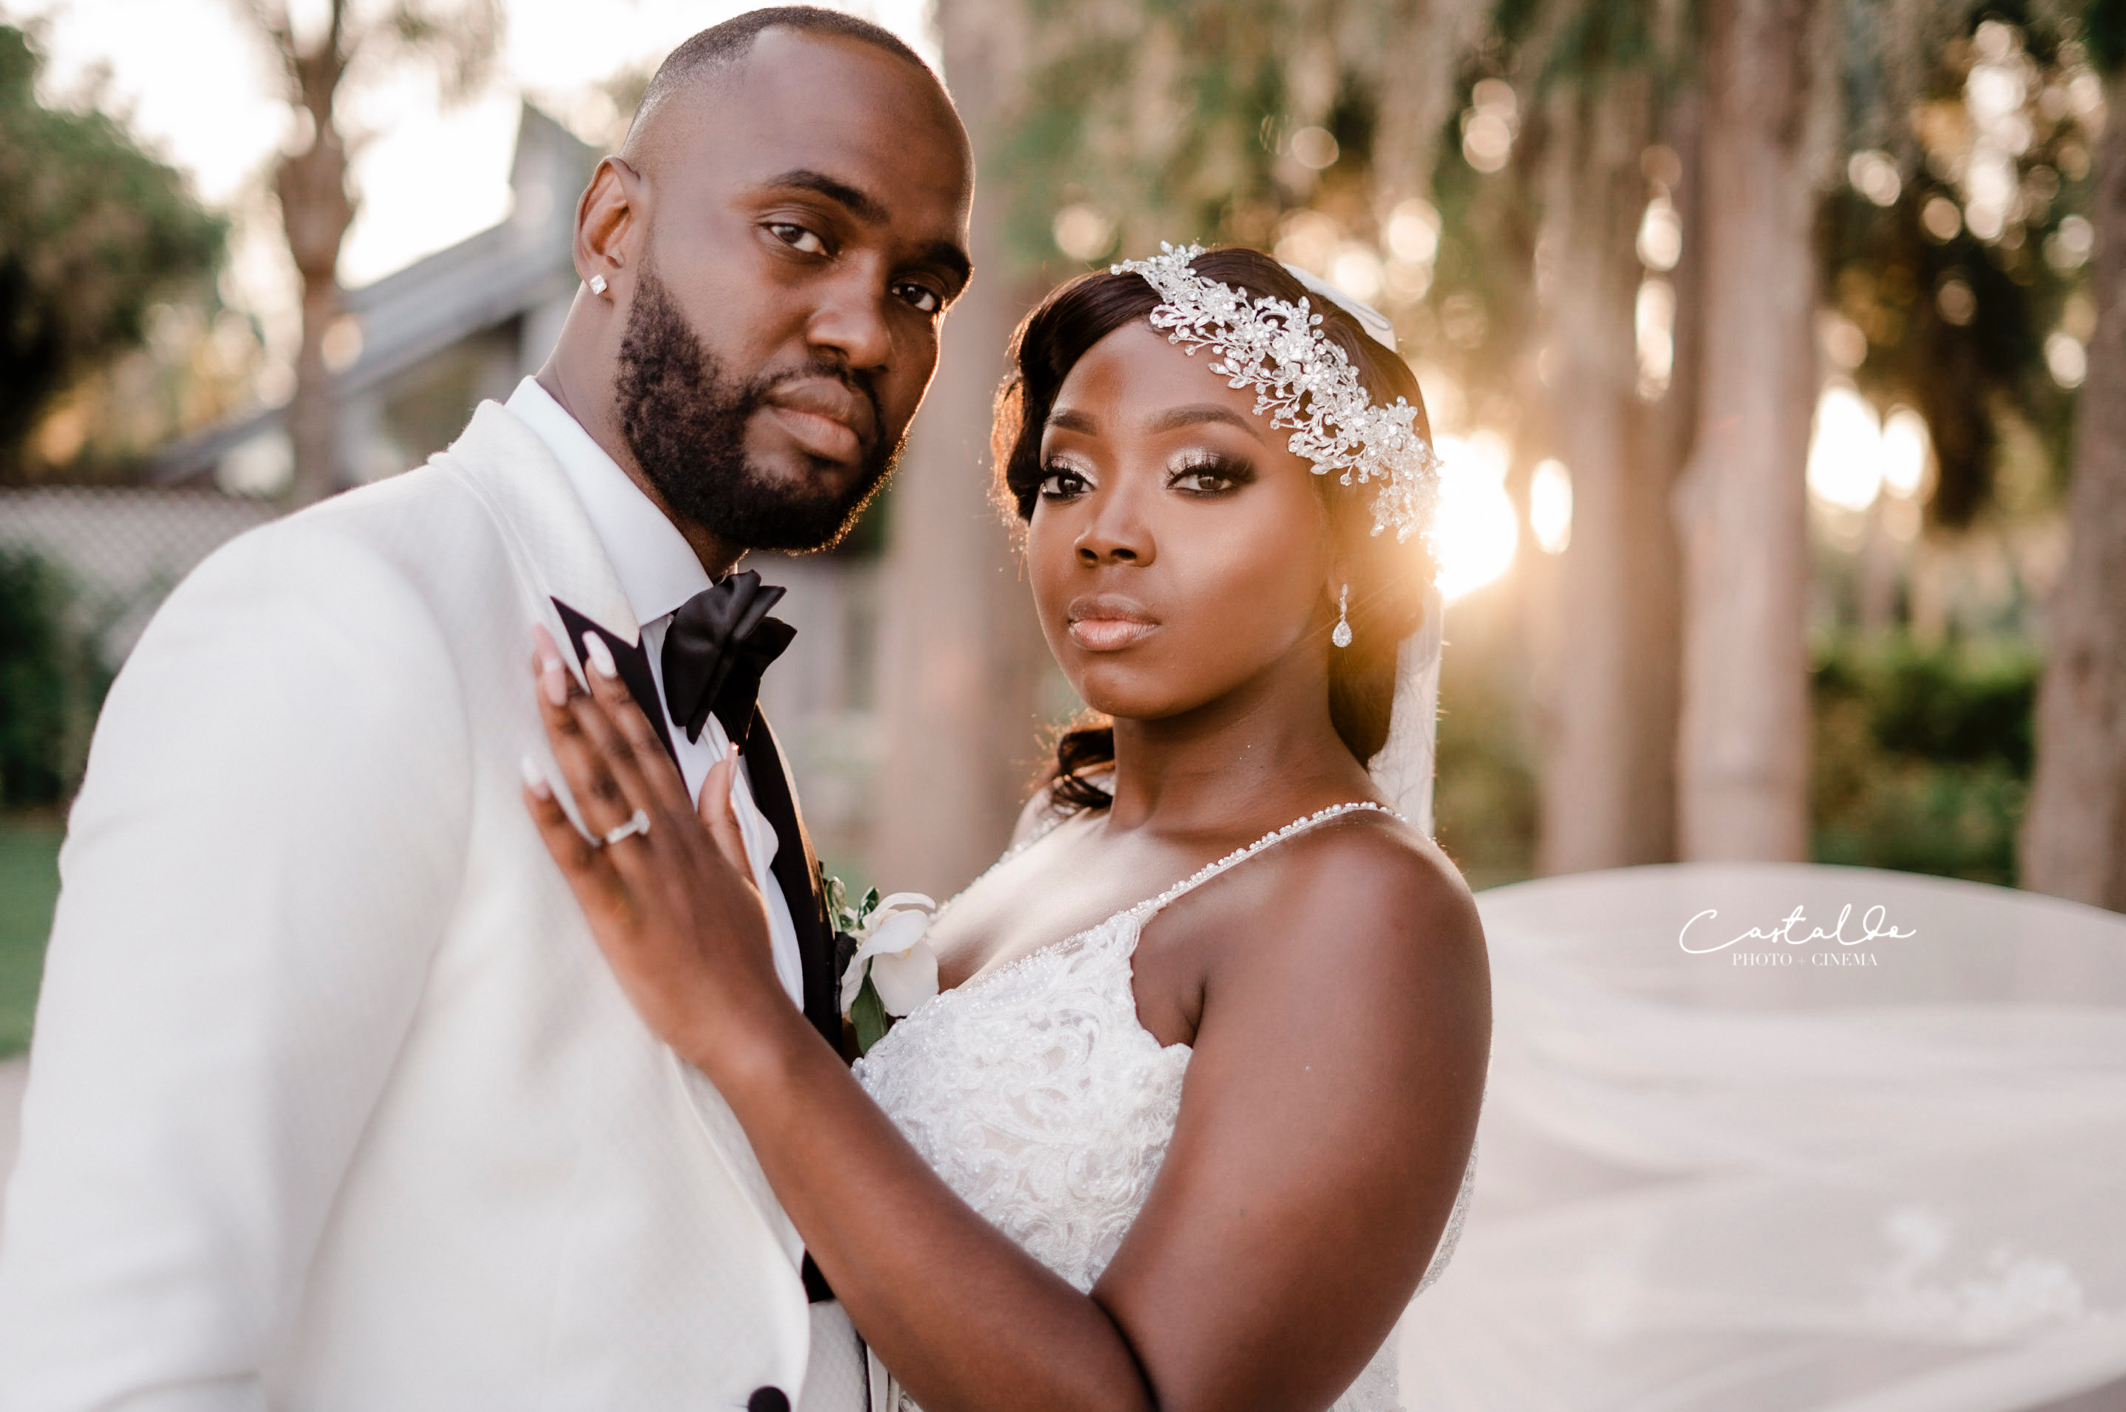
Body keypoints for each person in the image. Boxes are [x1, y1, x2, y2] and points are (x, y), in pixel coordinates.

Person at [0, 11, 971, 1410]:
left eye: (922, 291)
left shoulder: (716, 693)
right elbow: (118, 1367)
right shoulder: (334, 625)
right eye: (804, 234)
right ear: (611, 226)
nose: (865, 329)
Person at [523, 245, 1491, 1412]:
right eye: (1065, 476)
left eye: (1198, 473)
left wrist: (745, 1025)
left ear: (1350, 544)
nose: (1103, 532)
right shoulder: (1058, 834)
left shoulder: (1365, 908)